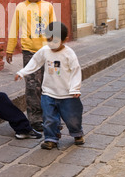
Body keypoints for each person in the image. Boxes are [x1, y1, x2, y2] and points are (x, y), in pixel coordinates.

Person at [15, 21, 84, 149]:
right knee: (48, 118)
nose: (51, 44)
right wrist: (22, 72)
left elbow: (76, 71)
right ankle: (51, 138)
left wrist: (75, 88)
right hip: (48, 93)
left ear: (64, 40)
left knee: (72, 117)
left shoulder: (69, 54)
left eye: (55, 41)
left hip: (67, 94)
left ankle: (77, 133)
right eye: (49, 40)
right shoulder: (45, 51)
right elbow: (35, 61)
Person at [6, 0, 56, 131]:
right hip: (29, 53)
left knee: (47, 85)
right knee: (32, 86)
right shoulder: (21, 7)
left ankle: (50, 116)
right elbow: (14, 28)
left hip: (46, 52)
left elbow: (53, 27)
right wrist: (10, 49)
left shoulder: (48, 7)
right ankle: (35, 119)